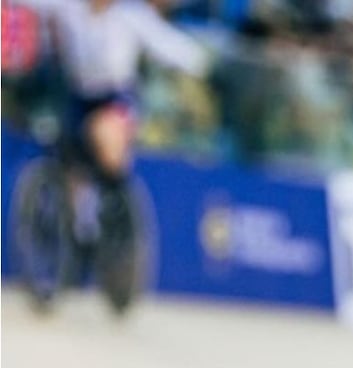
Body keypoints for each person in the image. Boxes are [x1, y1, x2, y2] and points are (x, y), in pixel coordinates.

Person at [12, 0, 209, 308]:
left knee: (103, 135)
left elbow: (168, 44)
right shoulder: (69, 8)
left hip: (116, 98)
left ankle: (116, 211)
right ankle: (78, 222)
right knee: (65, 150)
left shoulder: (131, 16)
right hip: (78, 96)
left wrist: (202, 62)